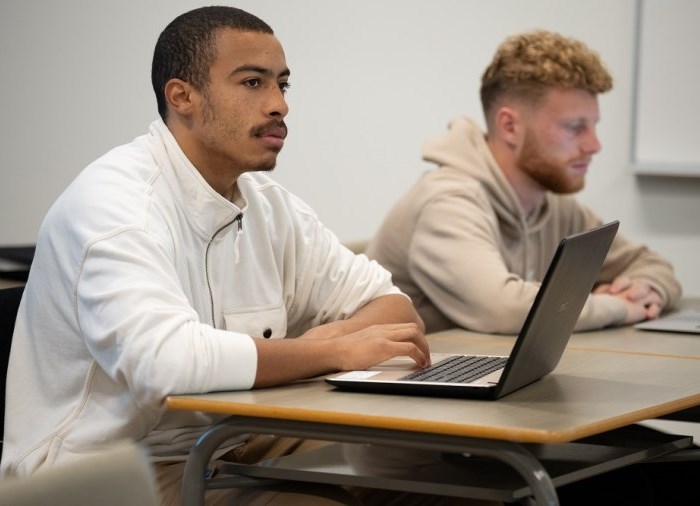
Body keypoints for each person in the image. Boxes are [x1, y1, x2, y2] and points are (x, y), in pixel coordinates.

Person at [1, 7, 496, 506]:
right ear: (182, 97)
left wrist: (329, 338)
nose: (280, 105)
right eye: (253, 83)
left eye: (283, 84)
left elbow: (393, 307)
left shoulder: (265, 203)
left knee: (442, 471)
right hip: (106, 471)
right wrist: (335, 351)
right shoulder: (116, 205)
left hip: (228, 439)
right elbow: (167, 366)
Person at [365, 29, 682, 335]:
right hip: (397, 386)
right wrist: (617, 307)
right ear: (510, 126)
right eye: (575, 127)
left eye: (594, 126)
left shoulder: (554, 205)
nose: (594, 145)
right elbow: (503, 308)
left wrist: (646, 289)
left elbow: (650, 264)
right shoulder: (447, 201)